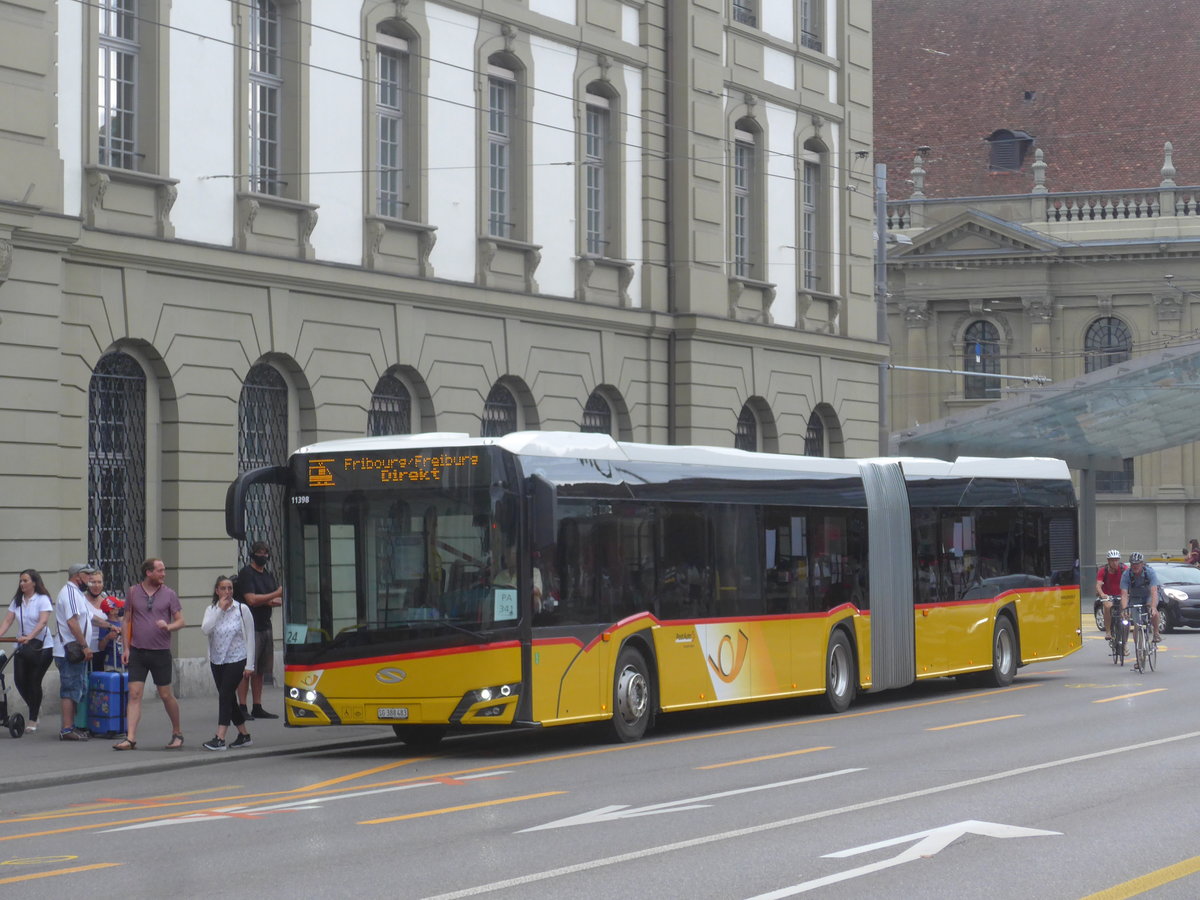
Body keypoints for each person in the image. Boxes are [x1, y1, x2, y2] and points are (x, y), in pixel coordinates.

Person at [113, 558, 184, 750]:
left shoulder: (169, 594)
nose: (163, 574)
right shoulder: (134, 592)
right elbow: (126, 620)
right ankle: (130, 738)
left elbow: (180, 621)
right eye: (160, 571)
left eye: (164, 570)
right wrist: (126, 648)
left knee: (165, 694)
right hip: (137, 651)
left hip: (160, 652)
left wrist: (168, 626)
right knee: (134, 694)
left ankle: (177, 732)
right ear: (148, 572)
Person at [200, 575, 254, 751]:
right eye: (223, 588)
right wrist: (219, 611)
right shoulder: (211, 609)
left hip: (237, 658)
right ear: (217, 591)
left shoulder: (241, 609)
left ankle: (220, 737)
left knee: (225, 694)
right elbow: (205, 629)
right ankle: (244, 735)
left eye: (230, 588)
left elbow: (251, 637)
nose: (227, 592)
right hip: (217, 659)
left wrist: (250, 665)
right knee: (229, 697)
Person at [0, 569, 54, 733]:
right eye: (21, 581)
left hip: (42, 647)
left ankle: (33, 718)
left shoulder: (42, 599)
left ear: (34, 582)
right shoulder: (17, 600)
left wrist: (30, 636)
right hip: (23, 646)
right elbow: (8, 620)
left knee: (34, 681)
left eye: (25, 580)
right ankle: (35, 707)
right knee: (19, 680)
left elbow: (43, 622)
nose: (22, 583)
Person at [234, 541, 283, 720]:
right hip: (249, 627)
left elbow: (273, 601)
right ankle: (242, 706)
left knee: (260, 670)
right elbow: (251, 600)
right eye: (260, 552)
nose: (263, 556)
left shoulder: (268, 575)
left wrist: (268, 599)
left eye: (265, 552)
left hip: (265, 625)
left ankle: (257, 705)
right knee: (247, 669)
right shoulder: (247, 573)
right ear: (253, 554)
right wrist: (274, 595)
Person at [53, 563, 96, 741]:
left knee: (78, 688)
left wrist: (109, 625)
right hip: (70, 650)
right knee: (70, 689)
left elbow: (90, 618)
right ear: (78, 576)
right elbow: (72, 622)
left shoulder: (77, 594)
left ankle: (74, 726)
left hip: (74, 650)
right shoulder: (70, 592)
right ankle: (67, 729)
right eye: (88, 575)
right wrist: (85, 645)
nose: (91, 579)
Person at [1119, 551, 1161, 645]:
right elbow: (1124, 594)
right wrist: (1125, 609)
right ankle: (1139, 649)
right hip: (1135, 598)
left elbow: (1154, 591)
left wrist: (1153, 607)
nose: (1135, 566)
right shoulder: (1126, 575)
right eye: (1133, 564)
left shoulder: (1150, 572)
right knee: (1137, 624)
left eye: (1137, 564)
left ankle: (1156, 632)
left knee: (1153, 612)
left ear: (1142, 564)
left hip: (1148, 596)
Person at [1095, 549, 1125, 641]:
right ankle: (1108, 631)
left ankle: (1124, 638)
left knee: (1125, 610)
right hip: (1108, 595)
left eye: (1116, 560)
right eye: (1112, 560)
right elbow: (1098, 585)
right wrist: (1102, 594)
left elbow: (1130, 581)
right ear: (1108, 561)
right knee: (1107, 607)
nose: (1115, 562)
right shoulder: (1103, 570)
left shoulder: (1124, 569)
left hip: (1121, 594)